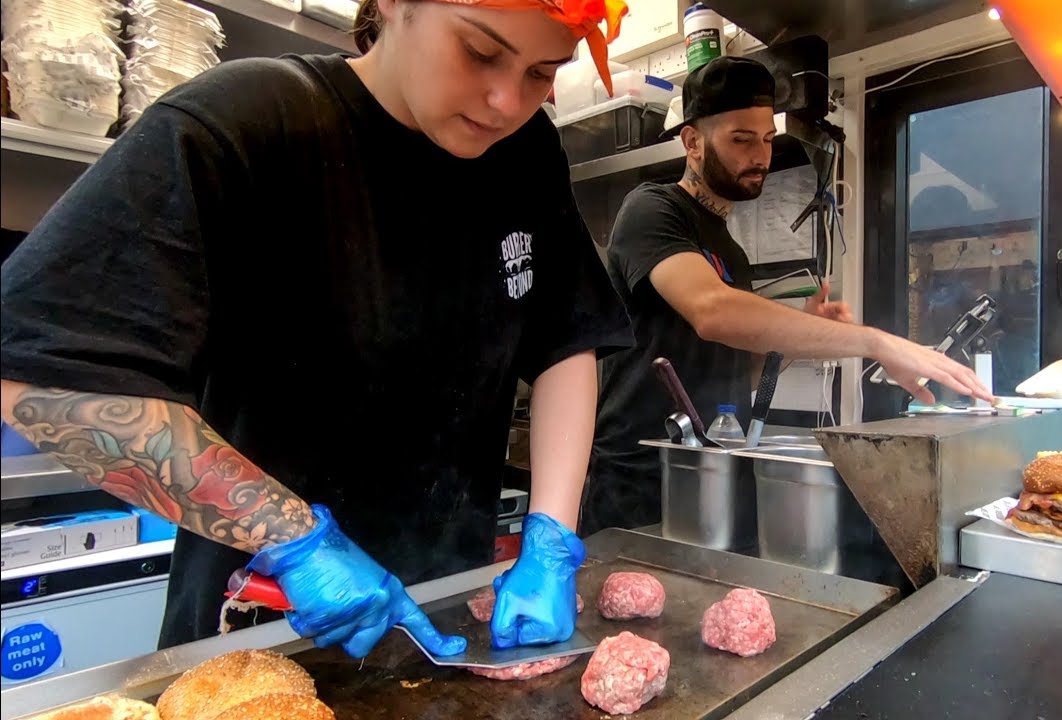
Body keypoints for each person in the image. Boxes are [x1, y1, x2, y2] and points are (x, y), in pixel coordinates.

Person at [0, 0, 632, 659]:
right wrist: (292, 539)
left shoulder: (525, 154)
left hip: (452, 625)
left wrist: (552, 537)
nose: (506, 101)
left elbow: (566, 339)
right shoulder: (250, 121)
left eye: (542, 72)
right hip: (258, 630)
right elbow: (37, 378)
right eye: (480, 52)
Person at [585, 57, 994, 534]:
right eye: (741, 139)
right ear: (693, 142)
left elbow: (744, 366)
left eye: (765, 139)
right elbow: (712, 312)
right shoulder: (651, 210)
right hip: (638, 479)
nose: (760, 156)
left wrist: (801, 333)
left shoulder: (730, 250)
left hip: (714, 471)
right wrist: (877, 343)